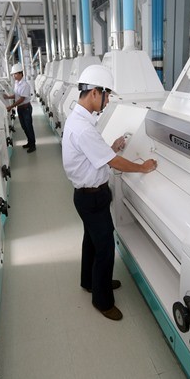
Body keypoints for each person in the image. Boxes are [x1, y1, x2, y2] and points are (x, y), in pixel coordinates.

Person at [62, 65, 158, 321]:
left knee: (91, 240)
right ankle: (102, 301)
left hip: (85, 196)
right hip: (92, 197)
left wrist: (110, 146)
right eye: (107, 95)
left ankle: (89, 281)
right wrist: (142, 167)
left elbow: (94, 153)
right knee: (105, 247)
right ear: (95, 93)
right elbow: (114, 163)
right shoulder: (83, 127)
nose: (108, 101)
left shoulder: (80, 120)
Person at [3, 63, 36, 153]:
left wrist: (11, 106)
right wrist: (8, 97)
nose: (14, 76)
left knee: (28, 127)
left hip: (26, 108)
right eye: (13, 74)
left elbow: (21, 99)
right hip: (20, 109)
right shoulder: (17, 83)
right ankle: (29, 142)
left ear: (21, 74)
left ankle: (33, 145)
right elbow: (17, 95)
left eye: (15, 74)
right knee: (24, 127)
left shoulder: (25, 85)